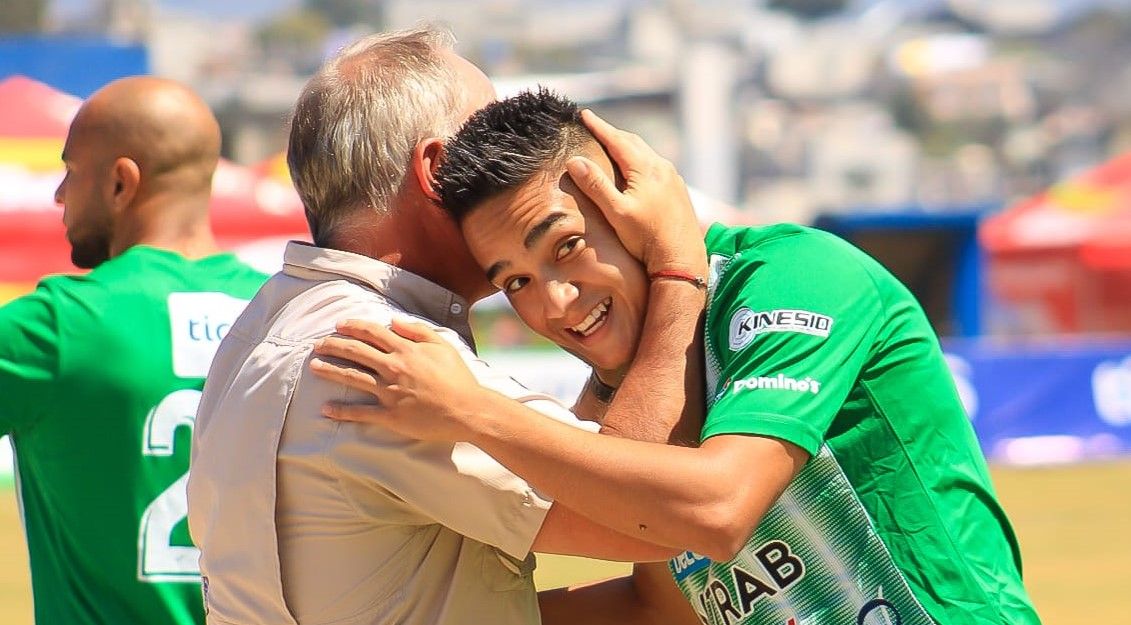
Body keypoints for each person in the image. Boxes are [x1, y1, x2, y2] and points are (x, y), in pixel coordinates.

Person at [310, 89, 1042, 624]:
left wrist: (473, 411)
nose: (555, 303)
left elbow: (718, 508)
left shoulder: (794, 274)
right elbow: (655, 602)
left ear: (633, 204)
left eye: (566, 246)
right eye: (515, 283)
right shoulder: (631, 381)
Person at [186, 28, 701, 625]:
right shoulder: (387, 359)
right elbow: (652, 513)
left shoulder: (262, 326)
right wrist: (676, 266)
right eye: (489, 137)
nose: (516, 154)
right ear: (436, 169)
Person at [0, 76, 268, 624]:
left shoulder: (58, 326)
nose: (58, 194)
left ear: (122, 183)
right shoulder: (282, 313)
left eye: (70, 171)